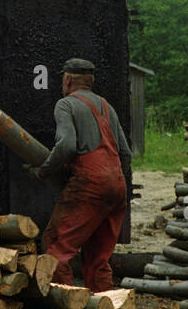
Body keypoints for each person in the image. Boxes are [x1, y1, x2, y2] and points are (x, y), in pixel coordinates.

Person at [29, 58, 131, 292]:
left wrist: (44, 170)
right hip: (117, 186)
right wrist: (111, 179)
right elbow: (125, 153)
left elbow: (66, 146)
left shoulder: (66, 104)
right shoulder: (107, 107)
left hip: (90, 184)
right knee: (98, 257)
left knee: (57, 247)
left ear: (67, 79)